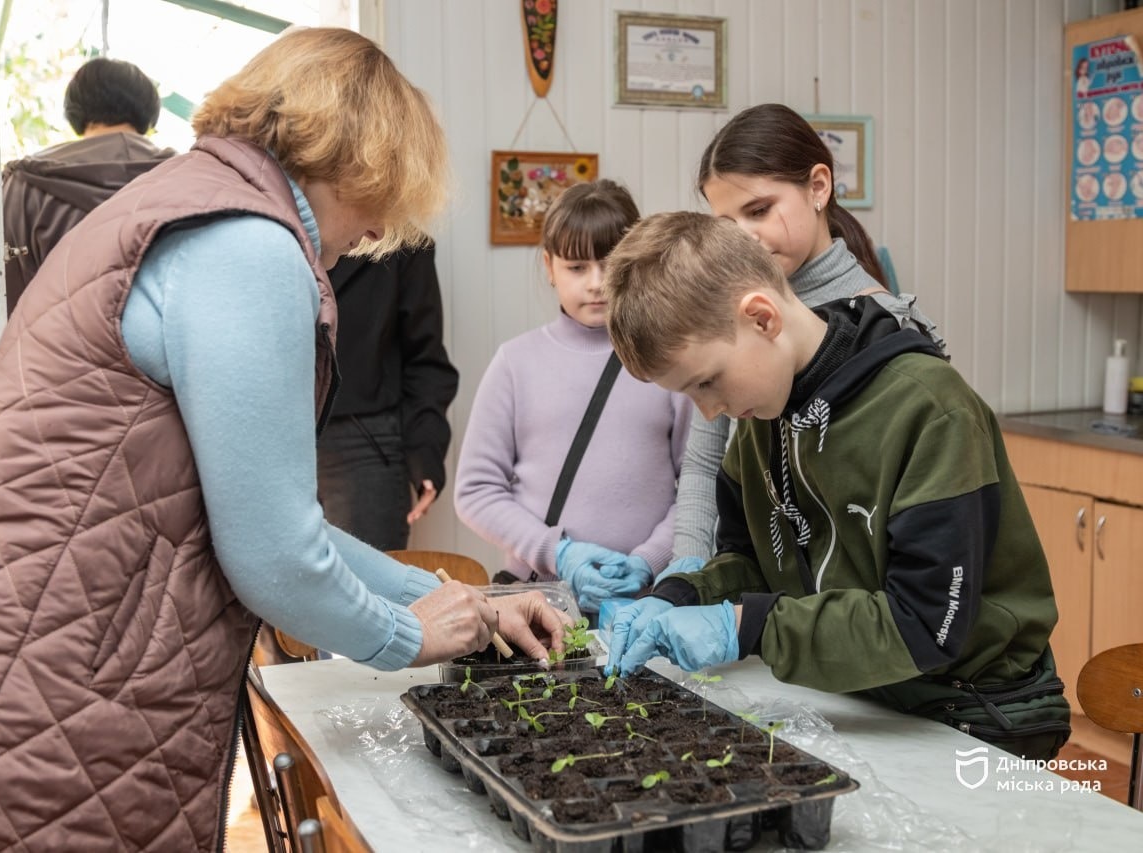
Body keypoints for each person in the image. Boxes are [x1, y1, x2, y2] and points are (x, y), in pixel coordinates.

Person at [0, 28, 568, 851]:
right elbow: (273, 554)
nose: (371, 233)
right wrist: (411, 637)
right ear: (357, 159)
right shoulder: (250, 245)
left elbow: (277, 522)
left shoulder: (183, 202)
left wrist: (467, 602)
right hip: (29, 703)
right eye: (378, 209)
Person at [601, 212, 1070, 761]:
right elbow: (754, 562)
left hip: (971, 716)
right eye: (689, 395)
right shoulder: (762, 422)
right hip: (860, 698)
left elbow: (925, 626)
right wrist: (681, 594)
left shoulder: (929, 412)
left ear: (762, 318)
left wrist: (743, 626)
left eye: (707, 381)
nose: (708, 410)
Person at [664, 103, 944, 582]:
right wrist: (686, 572)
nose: (745, 239)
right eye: (727, 226)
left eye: (759, 210)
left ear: (818, 187)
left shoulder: (891, 329)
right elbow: (706, 457)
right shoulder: (728, 310)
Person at [455, 180, 692, 616]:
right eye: (577, 267)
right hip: (539, 606)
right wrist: (557, 552)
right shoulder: (515, 363)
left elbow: (697, 486)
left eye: (611, 263)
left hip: (647, 605)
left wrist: (648, 560)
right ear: (549, 266)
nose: (597, 283)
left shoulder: (670, 362)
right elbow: (476, 491)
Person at [1, 56, 175, 314]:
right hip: (161, 350)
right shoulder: (184, 178)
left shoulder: (24, 182)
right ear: (150, 111)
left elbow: (7, 291)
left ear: (75, 109)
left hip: (57, 346)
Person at [319, 242, 458, 551]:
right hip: (276, 435)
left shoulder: (404, 246)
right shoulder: (269, 232)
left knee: (368, 590)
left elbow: (424, 359)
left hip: (363, 445)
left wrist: (425, 452)